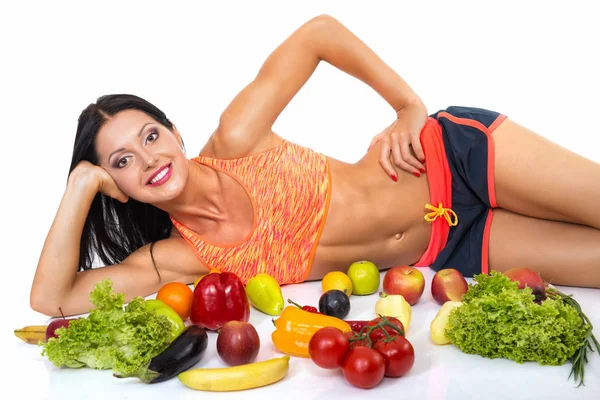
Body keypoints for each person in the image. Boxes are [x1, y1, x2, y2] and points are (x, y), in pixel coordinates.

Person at [30, 15, 600, 317]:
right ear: (117, 187)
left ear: (176, 133)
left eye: (152, 135)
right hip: (454, 250)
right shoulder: (177, 259)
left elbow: (319, 34)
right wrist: (80, 185)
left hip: (452, 158)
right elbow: (53, 301)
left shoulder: (236, 138)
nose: (150, 157)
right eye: (123, 161)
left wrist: (407, 106)